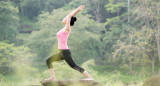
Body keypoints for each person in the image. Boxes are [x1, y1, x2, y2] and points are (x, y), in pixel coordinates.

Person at [44, 5, 94, 82]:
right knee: (48, 61)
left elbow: (69, 16)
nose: (64, 19)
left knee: (74, 66)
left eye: (66, 19)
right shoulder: (64, 28)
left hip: (65, 52)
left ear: (68, 21)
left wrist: (77, 10)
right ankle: (53, 77)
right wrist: (75, 12)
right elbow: (69, 16)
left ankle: (90, 77)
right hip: (61, 52)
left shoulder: (68, 28)